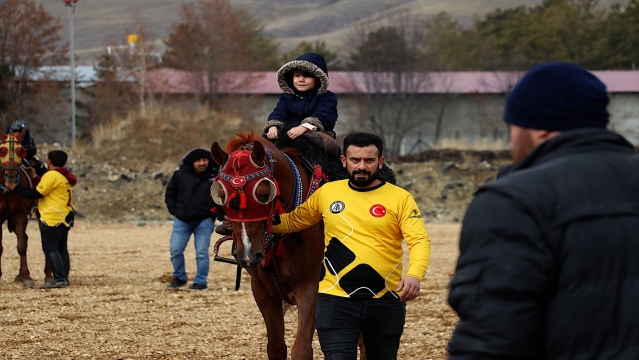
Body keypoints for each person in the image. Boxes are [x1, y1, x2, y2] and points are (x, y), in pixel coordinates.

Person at [447, 62, 639, 359]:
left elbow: (492, 340)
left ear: (539, 128)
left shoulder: (514, 201)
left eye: (511, 128)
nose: (511, 143)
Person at [270, 132, 431, 360]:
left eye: (369, 160)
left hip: (386, 300)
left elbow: (419, 241)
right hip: (336, 300)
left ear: (381, 162)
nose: (361, 167)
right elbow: (294, 221)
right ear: (344, 161)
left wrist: (414, 275)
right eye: (355, 160)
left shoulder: (400, 198)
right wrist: (255, 224)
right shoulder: (327, 193)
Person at [5, 150, 76, 289]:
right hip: (65, 215)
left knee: (50, 248)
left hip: (52, 217)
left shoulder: (51, 175)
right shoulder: (63, 176)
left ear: (49, 161)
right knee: (62, 248)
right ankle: (63, 277)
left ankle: (60, 278)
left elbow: (37, 193)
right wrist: (34, 177)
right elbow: (47, 188)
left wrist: (15, 188)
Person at [164, 148, 219, 291]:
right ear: (192, 162)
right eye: (198, 161)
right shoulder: (180, 175)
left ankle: (201, 282)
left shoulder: (216, 176)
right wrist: (175, 210)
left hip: (204, 221)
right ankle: (180, 278)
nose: (202, 163)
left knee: (201, 253)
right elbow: (170, 193)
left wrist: (212, 215)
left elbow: (221, 197)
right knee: (175, 250)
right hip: (182, 219)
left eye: (204, 160)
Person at [263, 52, 338, 140]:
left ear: (318, 79)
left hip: (318, 135)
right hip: (288, 133)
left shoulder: (327, 97)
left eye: (307, 76)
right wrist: (273, 127)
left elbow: (324, 115)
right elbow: (279, 112)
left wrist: (303, 128)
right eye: (297, 75)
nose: (301, 80)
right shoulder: (287, 97)